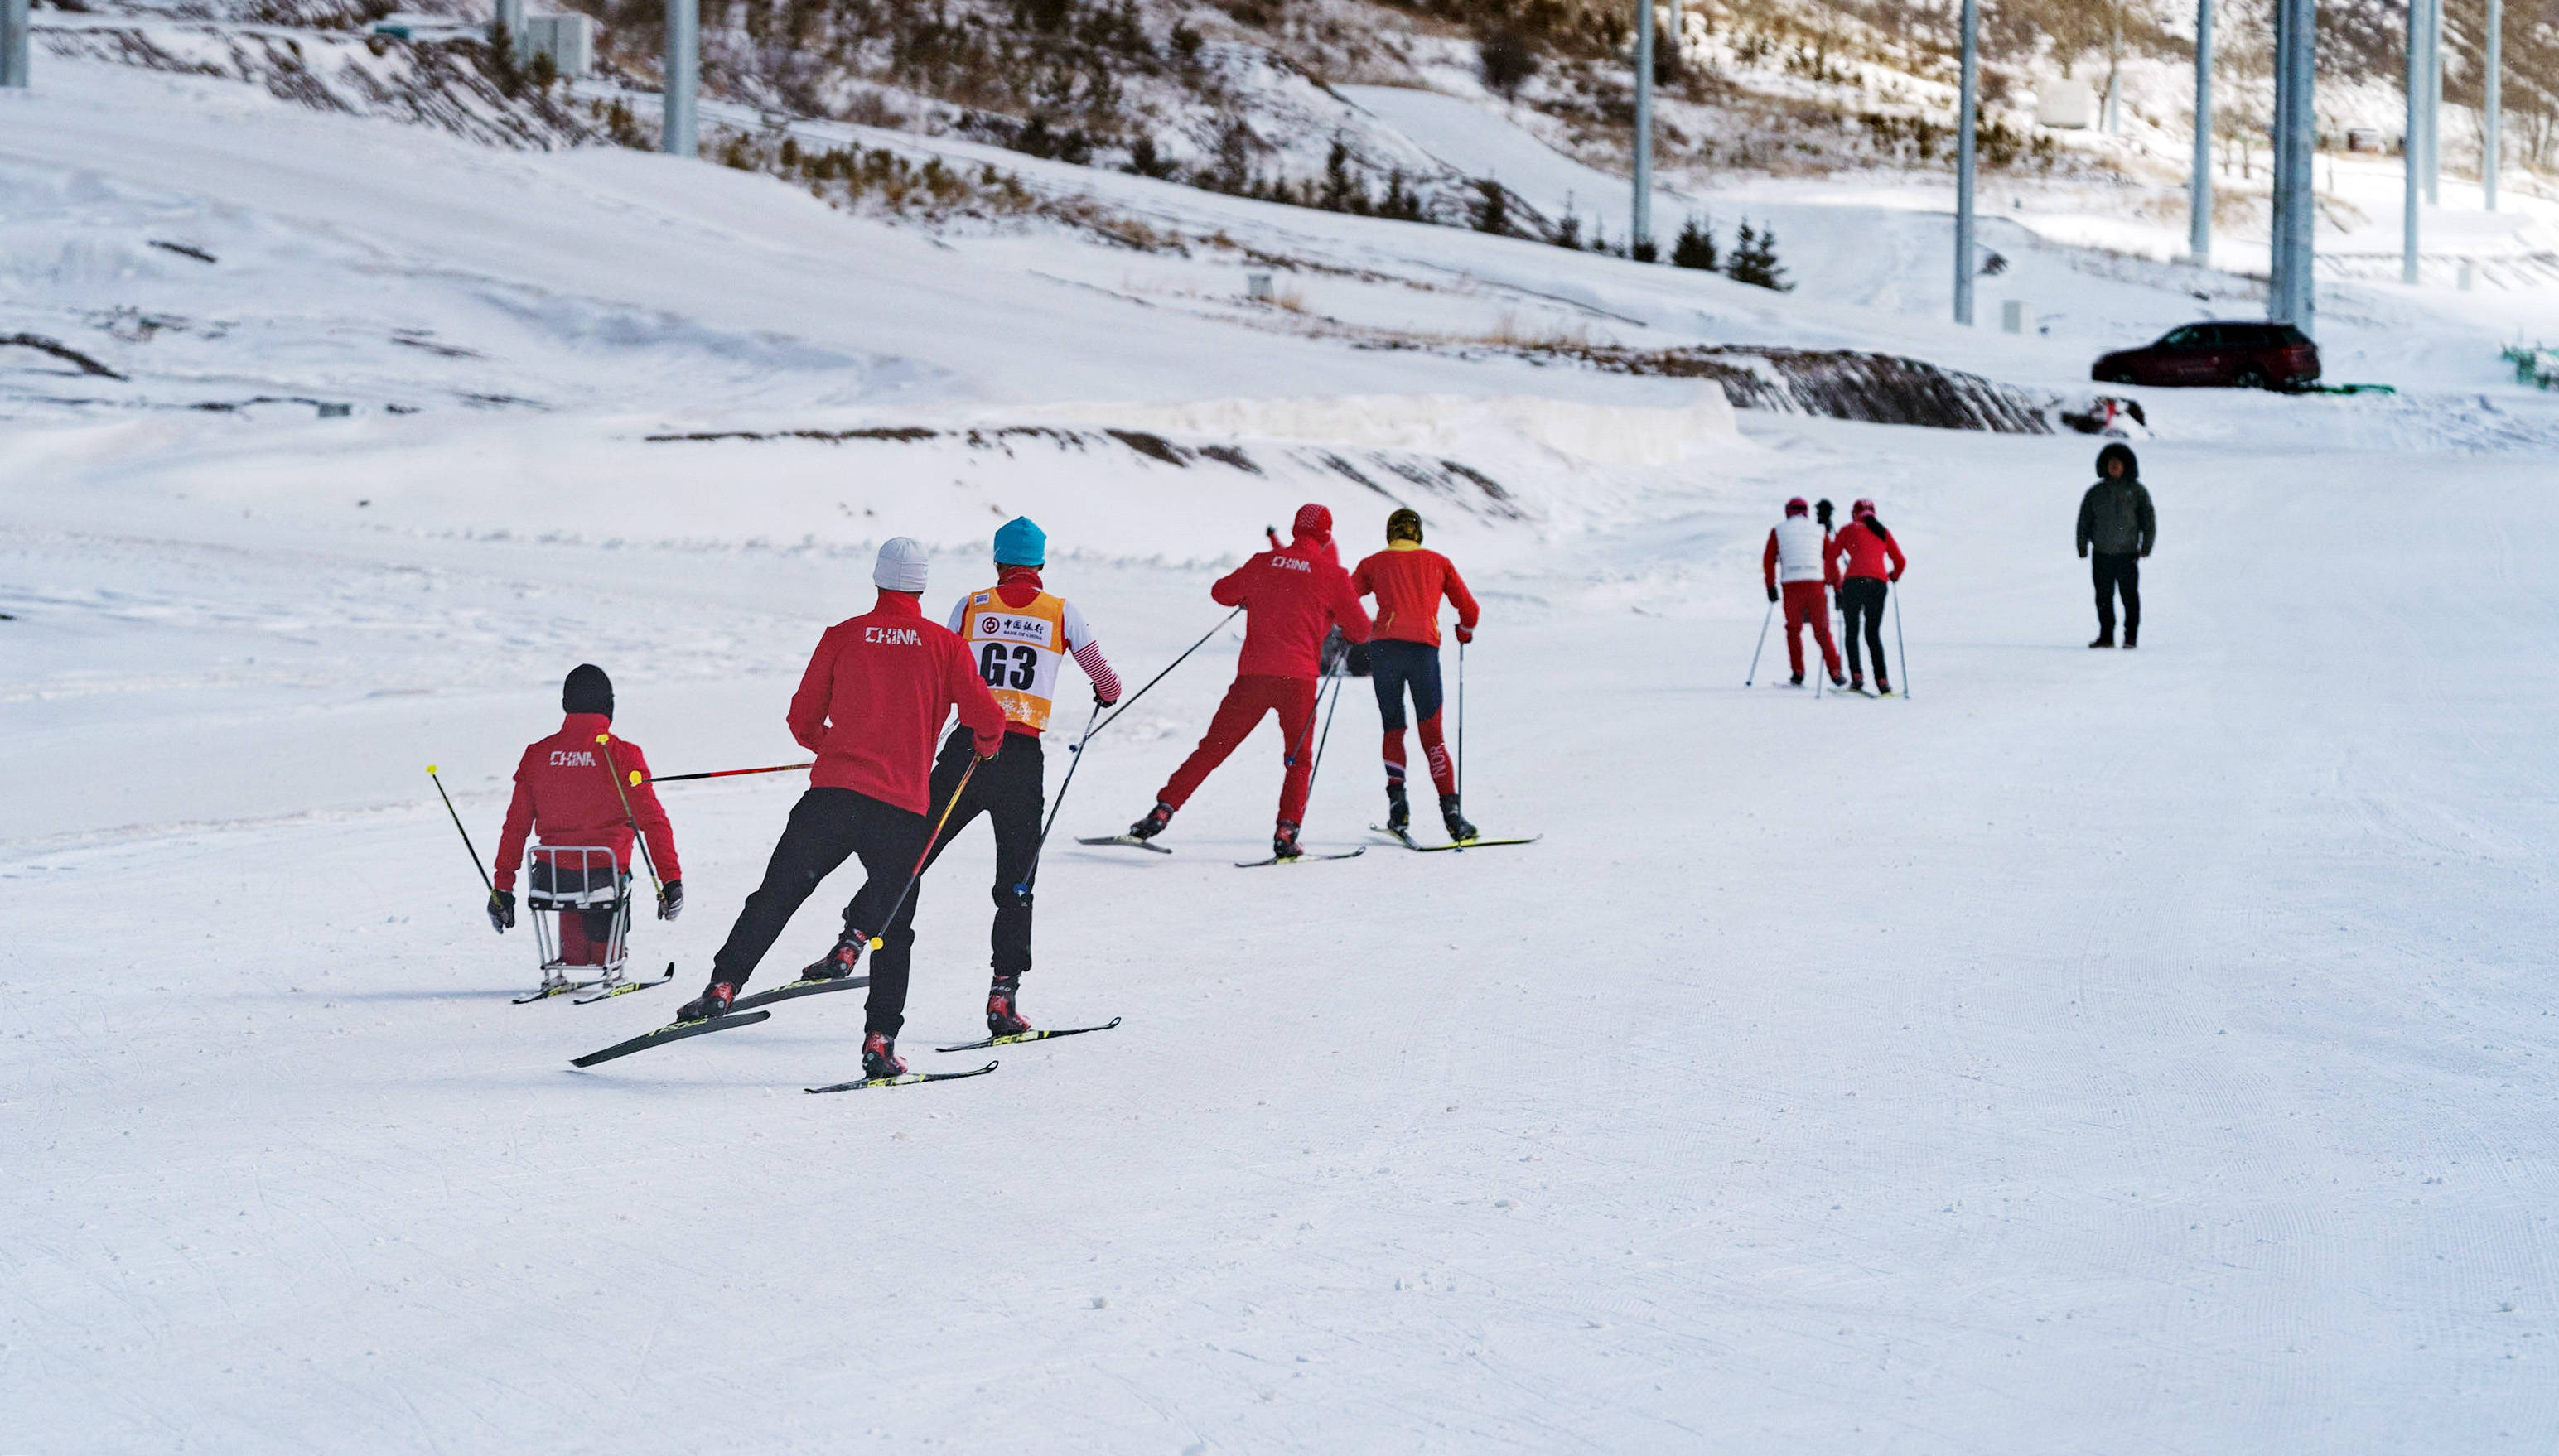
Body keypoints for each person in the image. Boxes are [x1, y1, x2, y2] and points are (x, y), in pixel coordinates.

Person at [678, 538, 1010, 1081]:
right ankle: (879, 1042)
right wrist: (988, 749)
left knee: (777, 896)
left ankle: (723, 985)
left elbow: (801, 718)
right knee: (891, 932)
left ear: (877, 579)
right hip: (899, 812)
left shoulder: (844, 635)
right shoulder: (945, 647)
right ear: (922, 585)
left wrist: (831, 748)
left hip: (830, 799)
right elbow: (988, 720)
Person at [794, 518, 1123, 1038]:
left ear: (997, 562)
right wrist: (1103, 692)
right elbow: (1105, 679)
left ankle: (853, 939)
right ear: (1039, 564)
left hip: (965, 751)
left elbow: (936, 663)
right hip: (1020, 760)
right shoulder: (1062, 614)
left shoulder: (971, 607)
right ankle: (1003, 996)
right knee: (1016, 881)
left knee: (914, 854)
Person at [1125, 503, 1374, 861]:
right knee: (1297, 759)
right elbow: (1362, 630)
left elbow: (1220, 592)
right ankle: (1286, 832)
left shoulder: (1262, 562)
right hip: (1298, 681)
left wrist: (1250, 596)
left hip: (1253, 677)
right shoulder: (1332, 574)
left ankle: (1162, 810)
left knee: (1213, 748)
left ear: (1293, 529)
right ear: (1325, 535)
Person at [488, 664, 683, 984]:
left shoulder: (538, 755)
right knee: (604, 881)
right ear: (609, 706)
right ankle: (610, 961)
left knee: (572, 890)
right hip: (605, 879)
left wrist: (502, 887)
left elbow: (515, 827)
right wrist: (670, 880)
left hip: (550, 881)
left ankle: (572, 959)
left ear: (566, 705)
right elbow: (654, 822)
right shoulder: (623, 754)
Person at [1350, 507, 1482, 841]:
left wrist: (1350, 627)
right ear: (1418, 534)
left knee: (1393, 729)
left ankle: (1398, 806)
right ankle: (1452, 815)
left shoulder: (1372, 563)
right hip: (1423, 652)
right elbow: (1470, 609)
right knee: (1432, 735)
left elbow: (1346, 598)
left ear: (1389, 533)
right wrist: (1464, 631)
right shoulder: (1439, 562)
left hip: (1384, 653)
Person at [2077, 442, 2156, 648]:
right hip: (2102, 553)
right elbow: (2084, 519)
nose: (2114, 467)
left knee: (2129, 597)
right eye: (2111, 464)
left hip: (2127, 554)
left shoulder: (2137, 492)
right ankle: (2106, 636)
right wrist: (2082, 545)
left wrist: (2146, 546)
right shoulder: (2096, 492)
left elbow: (2148, 520)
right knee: (2103, 597)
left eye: (2118, 464)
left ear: (2126, 466)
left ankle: (2131, 636)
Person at [1827, 499, 1907, 694]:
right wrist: (1892, 576)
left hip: (1853, 583)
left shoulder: (1847, 529)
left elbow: (1830, 557)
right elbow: (1900, 561)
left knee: (1852, 631)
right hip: (1878, 585)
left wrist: (1834, 582)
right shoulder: (1883, 531)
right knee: (1872, 633)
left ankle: (1856, 677)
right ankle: (1882, 681)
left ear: (1854, 513)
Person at [1762, 497, 1844, 687]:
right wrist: (1838, 587)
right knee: (1822, 631)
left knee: (1793, 629)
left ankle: (1798, 673)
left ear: (1788, 511)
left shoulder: (1778, 530)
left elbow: (1768, 560)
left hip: (1791, 585)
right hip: (1816, 584)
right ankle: (1835, 672)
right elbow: (1830, 560)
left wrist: (1770, 586)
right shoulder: (1819, 530)